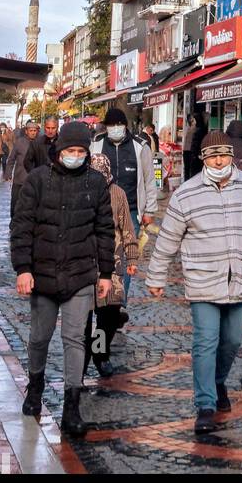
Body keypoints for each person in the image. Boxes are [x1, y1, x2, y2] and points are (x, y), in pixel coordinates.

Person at [146, 129, 242, 435]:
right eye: (213, 156)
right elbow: (168, 239)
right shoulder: (187, 194)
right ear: (204, 159)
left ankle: (218, 382)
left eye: (224, 155)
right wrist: (156, 276)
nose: (219, 161)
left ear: (232, 156)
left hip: (240, 277)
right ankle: (205, 404)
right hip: (202, 280)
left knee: (232, 340)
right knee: (205, 341)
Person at [11, 121, 115, 437]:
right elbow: (22, 226)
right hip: (42, 275)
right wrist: (23, 269)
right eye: (70, 150)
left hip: (80, 276)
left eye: (81, 151)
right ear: (59, 151)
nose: (75, 156)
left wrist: (107, 273)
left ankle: (72, 407)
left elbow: (104, 230)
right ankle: (35, 386)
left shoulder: (96, 183)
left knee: (75, 339)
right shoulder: (38, 181)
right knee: (39, 337)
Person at [90, 107, 157, 300]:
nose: (115, 128)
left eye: (118, 125)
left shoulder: (140, 146)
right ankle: (99, 295)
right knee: (101, 252)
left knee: (128, 256)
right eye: (111, 125)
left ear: (125, 126)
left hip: (133, 210)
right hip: (100, 209)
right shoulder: (96, 144)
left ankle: (119, 301)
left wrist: (150, 210)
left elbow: (149, 180)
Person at [82, 154, 139, 378]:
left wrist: (132, 258)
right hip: (84, 264)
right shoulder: (80, 190)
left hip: (111, 264)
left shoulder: (117, 194)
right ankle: (82, 362)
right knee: (83, 320)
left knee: (109, 315)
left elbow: (127, 229)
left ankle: (100, 353)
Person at [6, 120, 40, 218]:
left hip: (34, 180)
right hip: (19, 178)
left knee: (33, 203)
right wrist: (8, 173)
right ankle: (13, 221)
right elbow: (11, 159)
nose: (33, 132)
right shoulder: (20, 142)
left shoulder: (40, 142)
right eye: (31, 130)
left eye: (35, 130)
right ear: (26, 131)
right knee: (15, 202)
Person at [182, 116, 197, 181]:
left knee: (187, 168)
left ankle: (186, 181)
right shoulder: (194, 129)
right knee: (191, 168)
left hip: (186, 150)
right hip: (190, 150)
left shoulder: (188, 129)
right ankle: (188, 181)